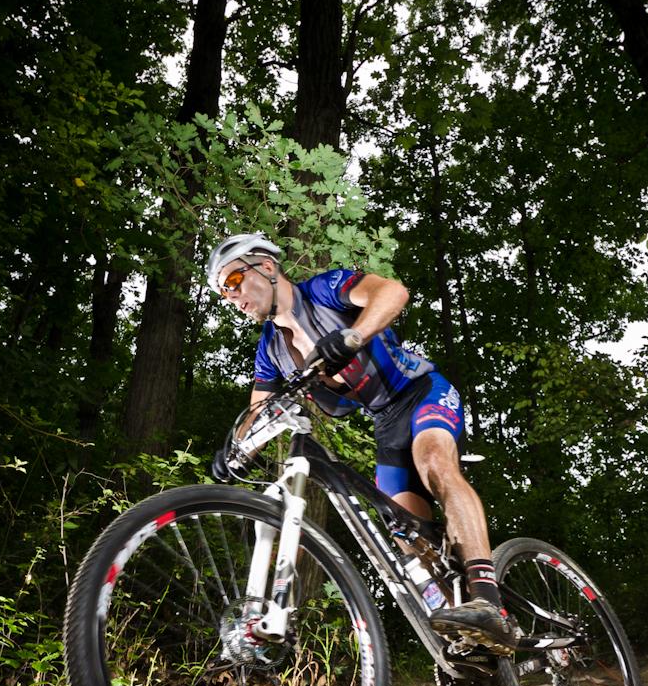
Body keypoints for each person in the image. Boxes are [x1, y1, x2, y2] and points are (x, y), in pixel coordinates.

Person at [207, 234, 519, 654]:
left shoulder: (323, 290)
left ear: (265, 265)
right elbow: (258, 412)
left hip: (420, 392)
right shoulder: (271, 350)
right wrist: (236, 451)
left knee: (434, 464)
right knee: (405, 533)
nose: (231, 296)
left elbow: (392, 293)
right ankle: (468, 645)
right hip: (385, 423)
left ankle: (487, 600)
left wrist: (353, 336)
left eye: (233, 280)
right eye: (222, 293)